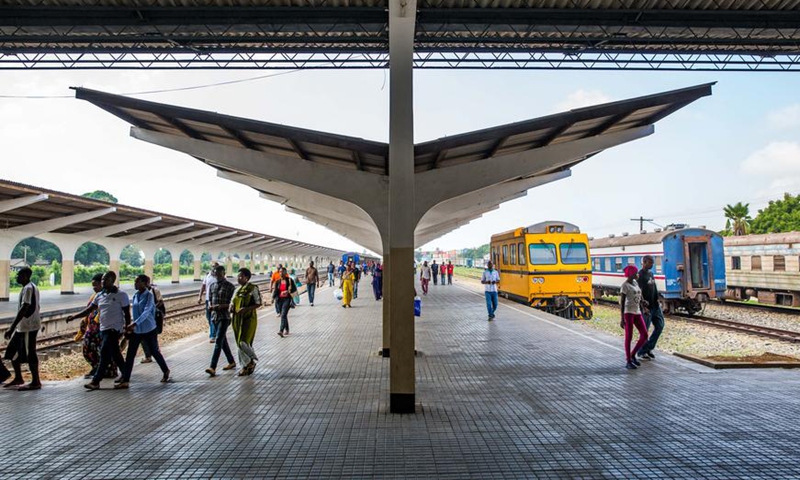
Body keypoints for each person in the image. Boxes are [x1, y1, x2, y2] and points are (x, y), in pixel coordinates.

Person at [67, 271, 131, 391]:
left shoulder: (121, 295)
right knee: (114, 355)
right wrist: (74, 317)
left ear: (112, 280)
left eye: (105, 279)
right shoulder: (99, 295)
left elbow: (127, 313)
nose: (103, 281)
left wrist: (127, 328)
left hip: (114, 329)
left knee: (104, 353)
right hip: (103, 329)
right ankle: (125, 378)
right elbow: (89, 309)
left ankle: (96, 380)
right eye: (102, 279)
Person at [116, 275, 170, 388]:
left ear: (145, 283)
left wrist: (134, 324)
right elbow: (134, 312)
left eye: (137, 282)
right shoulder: (136, 295)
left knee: (154, 352)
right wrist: (131, 325)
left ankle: (165, 370)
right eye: (135, 282)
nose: (135, 284)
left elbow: (146, 312)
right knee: (130, 355)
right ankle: (125, 380)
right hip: (137, 331)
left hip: (149, 329)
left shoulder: (149, 296)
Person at [1, 267, 41, 390]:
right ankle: (18, 377)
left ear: (25, 276)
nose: (16, 277)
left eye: (19, 275)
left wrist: (11, 327)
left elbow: (25, 308)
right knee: (12, 351)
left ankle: (36, 381)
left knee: (30, 352)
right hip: (22, 327)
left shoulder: (29, 288)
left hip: (29, 326)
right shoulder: (28, 287)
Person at [78, 274, 116, 380]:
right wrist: (83, 321)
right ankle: (96, 368)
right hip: (92, 329)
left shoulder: (108, 296)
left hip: (102, 329)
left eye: (96, 285)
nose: (94, 288)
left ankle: (108, 371)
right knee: (88, 350)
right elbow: (88, 310)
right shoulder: (95, 296)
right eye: (93, 286)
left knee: (104, 351)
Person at [205, 265, 237, 377]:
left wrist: (221, 306)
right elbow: (209, 299)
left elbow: (233, 304)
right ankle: (231, 361)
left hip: (224, 317)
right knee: (223, 341)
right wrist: (210, 306)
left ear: (224, 273)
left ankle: (212, 367)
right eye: (215, 274)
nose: (217, 276)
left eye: (219, 274)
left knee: (218, 340)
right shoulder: (212, 286)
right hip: (214, 316)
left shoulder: (230, 287)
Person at [232, 268, 262, 376]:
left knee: (242, 342)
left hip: (249, 319)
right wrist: (231, 307)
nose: (238, 278)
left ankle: (251, 360)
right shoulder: (237, 290)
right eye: (238, 276)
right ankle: (246, 366)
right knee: (239, 342)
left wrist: (246, 309)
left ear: (247, 278)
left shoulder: (252, 288)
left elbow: (258, 303)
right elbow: (232, 302)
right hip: (237, 319)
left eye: (241, 276)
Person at [620, 265, 649, 370]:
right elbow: (622, 302)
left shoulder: (636, 283)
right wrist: (622, 318)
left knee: (644, 335)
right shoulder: (625, 286)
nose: (637, 274)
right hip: (628, 313)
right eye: (636, 273)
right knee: (629, 337)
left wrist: (643, 305)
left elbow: (639, 296)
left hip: (637, 312)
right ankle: (628, 361)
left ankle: (633, 354)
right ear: (631, 274)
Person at [637, 255, 663, 361]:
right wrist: (643, 306)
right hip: (646, 308)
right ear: (644, 262)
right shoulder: (640, 275)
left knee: (660, 326)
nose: (652, 264)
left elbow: (654, 288)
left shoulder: (651, 274)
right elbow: (638, 292)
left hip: (655, 306)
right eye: (650, 262)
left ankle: (648, 347)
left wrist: (658, 300)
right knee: (645, 330)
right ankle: (641, 352)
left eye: (652, 262)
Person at [198, 262, 220, 343]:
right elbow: (203, 286)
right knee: (208, 317)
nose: (214, 268)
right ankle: (216, 332)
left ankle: (213, 335)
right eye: (213, 267)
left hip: (216, 300)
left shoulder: (219, 277)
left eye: (216, 267)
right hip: (208, 300)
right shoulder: (207, 276)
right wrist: (200, 296)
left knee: (212, 318)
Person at [272, 267, 296, 337]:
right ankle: (287, 329)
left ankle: (281, 330)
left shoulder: (289, 280)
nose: (281, 273)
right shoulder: (277, 281)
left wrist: (287, 292)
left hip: (287, 299)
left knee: (283, 314)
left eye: (282, 272)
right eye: (280, 272)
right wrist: (273, 298)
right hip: (279, 300)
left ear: (286, 273)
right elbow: (276, 291)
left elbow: (294, 291)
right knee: (284, 315)